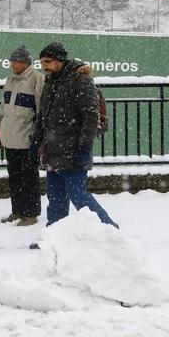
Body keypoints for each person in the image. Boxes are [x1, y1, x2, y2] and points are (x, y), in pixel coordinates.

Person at [31, 42, 118, 240]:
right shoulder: (51, 81)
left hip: (73, 149)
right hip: (53, 151)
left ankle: (109, 231)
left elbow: (90, 115)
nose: (44, 66)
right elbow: (43, 116)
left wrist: (84, 147)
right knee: (56, 199)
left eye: (48, 61)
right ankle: (55, 238)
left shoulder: (80, 80)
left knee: (78, 195)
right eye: (42, 62)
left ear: (59, 60)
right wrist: (35, 142)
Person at [0, 45, 45, 226]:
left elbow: (41, 111)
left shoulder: (37, 80)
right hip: (9, 136)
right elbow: (3, 108)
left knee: (29, 178)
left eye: (15, 62)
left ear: (25, 62)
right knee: (14, 177)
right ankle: (17, 210)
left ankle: (31, 214)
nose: (12, 65)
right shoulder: (10, 80)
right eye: (12, 61)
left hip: (27, 138)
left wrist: (38, 136)